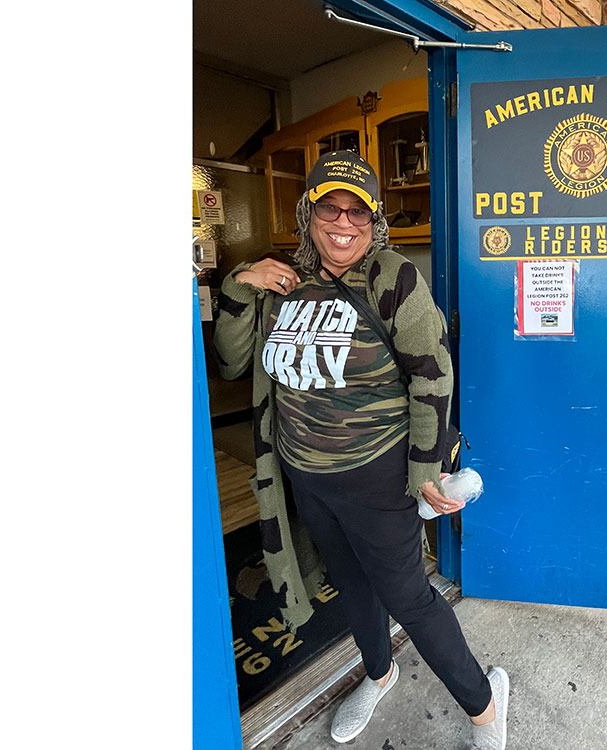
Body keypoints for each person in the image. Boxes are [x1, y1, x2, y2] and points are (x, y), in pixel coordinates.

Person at [213, 151, 508, 749]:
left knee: (408, 597)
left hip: (378, 477)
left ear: (375, 220)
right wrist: (238, 284)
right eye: (330, 207)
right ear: (309, 213)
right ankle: (379, 674)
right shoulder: (284, 283)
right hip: (306, 476)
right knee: (350, 582)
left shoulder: (392, 277)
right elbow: (230, 361)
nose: (343, 222)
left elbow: (432, 376)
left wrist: (425, 469)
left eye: (358, 211)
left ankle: (484, 705)